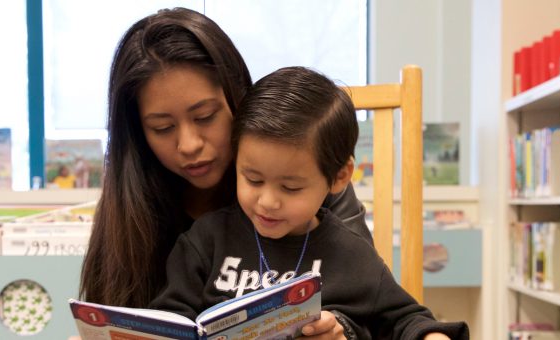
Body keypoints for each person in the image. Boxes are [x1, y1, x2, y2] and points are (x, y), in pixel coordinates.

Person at [80, 7, 370, 338]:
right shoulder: (133, 204)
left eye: (205, 117)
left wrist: (340, 327)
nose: (188, 144)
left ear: (237, 99)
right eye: (162, 127)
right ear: (138, 134)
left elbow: (368, 305)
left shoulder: (304, 179)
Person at [151, 67, 469, 339]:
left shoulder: (351, 254)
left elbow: (406, 319)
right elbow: (168, 318)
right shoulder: (206, 241)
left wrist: (431, 334)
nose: (267, 201)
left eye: (290, 187)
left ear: (339, 177)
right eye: (253, 179)